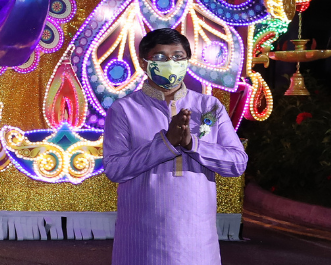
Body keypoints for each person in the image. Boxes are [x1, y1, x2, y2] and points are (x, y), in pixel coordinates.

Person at [105, 27, 247, 264]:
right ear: (144, 63)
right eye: (160, 57)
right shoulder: (124, 110)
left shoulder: (209, 106)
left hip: (197, 236)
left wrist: (193, 144)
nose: (170, 63)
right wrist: (165, 144)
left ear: (187, 61)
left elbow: (237, 163)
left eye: (178, 57)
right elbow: (114, 169)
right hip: (142, 236)